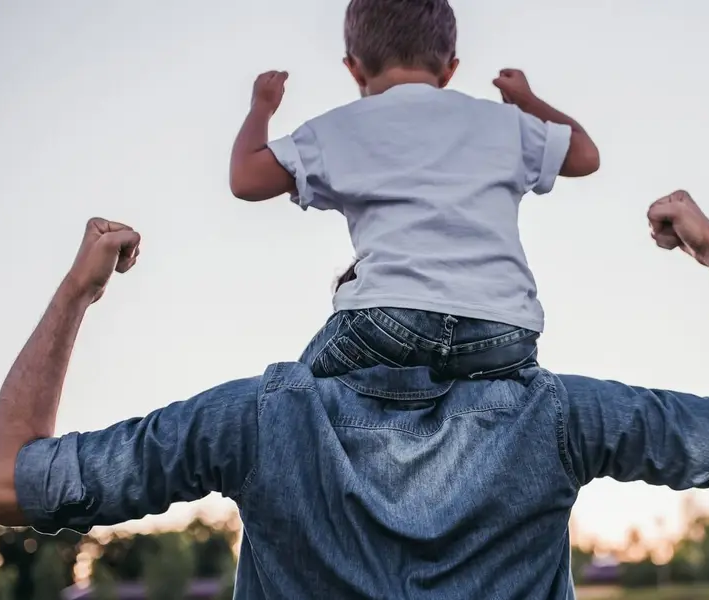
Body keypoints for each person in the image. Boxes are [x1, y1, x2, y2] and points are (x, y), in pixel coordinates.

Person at [0, 191, 709, 599]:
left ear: (350, 294)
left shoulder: (258, 421)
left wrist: (78, 292)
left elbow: (2, 483)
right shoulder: (557, 416)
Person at [227, 0, 601, 381]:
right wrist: (526, 100)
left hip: (390, 321)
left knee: (294, 394)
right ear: (450, 69)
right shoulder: (504, 122)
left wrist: (262, 106)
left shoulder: (340, 128)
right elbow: (585, 156)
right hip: (504, 331)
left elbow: (246, 180)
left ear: (353, 68)